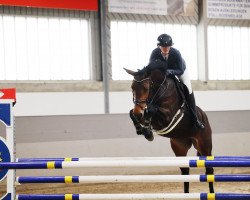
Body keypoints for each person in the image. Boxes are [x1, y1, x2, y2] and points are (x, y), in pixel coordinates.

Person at [147, 33, 204, 129]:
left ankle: (195, 119)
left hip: (179, 71)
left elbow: (180, 70)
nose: (165, 49)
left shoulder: (176, 53)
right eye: (163, 47)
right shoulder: (154, 53)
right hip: (163, 73)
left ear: (170, 46)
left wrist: (170, 71)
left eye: (168, 47)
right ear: (159, 46)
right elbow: (150, 67)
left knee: (188, 89)